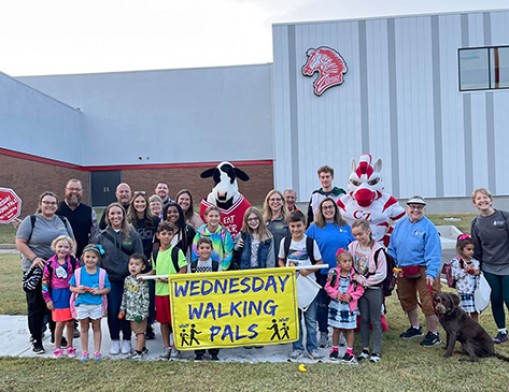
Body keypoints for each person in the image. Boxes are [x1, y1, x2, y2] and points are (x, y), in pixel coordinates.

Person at [15, 191, 75, 354]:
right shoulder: (31, 220)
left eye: (53, 203)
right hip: (36, 269)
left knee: (55, 304)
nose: (49, 205)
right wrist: (34, 258)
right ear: (40, 204)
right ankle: (36, 337)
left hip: (58, 270)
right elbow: (20, 242)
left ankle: (56, 335)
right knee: (36, 305)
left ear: (57, 205)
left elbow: (72, 241)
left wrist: (71, 261)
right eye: (46, 202)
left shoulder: (62, 221)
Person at [388, 195, 442, 347]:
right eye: (412, 207)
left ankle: (433, 333)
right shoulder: (399, 226)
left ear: (424, 209)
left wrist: (431, 273)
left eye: (419, 207)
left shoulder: (429, 227)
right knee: (406, 297)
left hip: (424, 268)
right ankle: (415, 327)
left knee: (429, 300)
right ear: (407, 208)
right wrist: (393, 266)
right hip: (403, 268)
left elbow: (433, 252)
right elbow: (392, 248)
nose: (415, 210)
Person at [95, 202, 143, 356]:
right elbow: (95, 258)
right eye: (112, 214)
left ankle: (127, 339)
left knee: (128, 310)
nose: (116, 216)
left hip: (129, 280)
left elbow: (139, 256)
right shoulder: (101, 236)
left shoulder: (132, 234)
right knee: (114, 310)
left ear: (124, 215)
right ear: (108, 216)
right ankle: (115, 339)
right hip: (111, 280)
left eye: (119, 213)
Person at [306, 197, 354, 348]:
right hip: (321, 273)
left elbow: (352, 247)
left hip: (342, 274)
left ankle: (338, 333)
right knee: (322, 304)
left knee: (339, 303)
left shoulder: (345, 226)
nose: (328, 210)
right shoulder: (314, 228)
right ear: (321, 210)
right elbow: (305, 246)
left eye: (330, 207)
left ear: (335, 209)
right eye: (325, 207)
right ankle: (324, 333)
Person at [278, 210, 324, 361]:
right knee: (295, 320)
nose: (296, 230)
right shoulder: (285, 242)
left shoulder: (311, 242)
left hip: (308, 287)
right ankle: (297, 348)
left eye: (299, 226)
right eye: (293, 226)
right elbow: (280, 260)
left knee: (311, 320)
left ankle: (312, 348)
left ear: (304, 225)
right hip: (293, 287)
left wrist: (308, 270)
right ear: (289, 227)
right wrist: (286, 269)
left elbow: (319, 263)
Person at [470, 188, 509, 343]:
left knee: (508, 298)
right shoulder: (476, 223)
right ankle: (502, 332)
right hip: (489, 268)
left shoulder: (504, 217)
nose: (482, 201)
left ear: (491, 200)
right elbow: (476, 247)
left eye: (485, 198)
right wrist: (476, 266)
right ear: (475, 203)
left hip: (507, 266)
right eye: (478, 199)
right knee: (496, 299)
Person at [147, 221, 188, 360]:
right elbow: (154, 270)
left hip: (174, 293)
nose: (166, 237)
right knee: (163, 321)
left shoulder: (177, 251)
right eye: (163, 234)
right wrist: (142, 276)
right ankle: (167, 347)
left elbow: (183, 270)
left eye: (169, 234)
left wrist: (170, 279)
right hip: (160, 292)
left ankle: (177, 347)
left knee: (174, 321)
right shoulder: (154, 253)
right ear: (158, 235)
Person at [349, 219, 387, 363]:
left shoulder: (377, 250)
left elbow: (381, 273)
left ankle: (376, 351)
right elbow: (349, 264)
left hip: (374, 289)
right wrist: (355, 278)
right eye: (355, 235)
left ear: (368, 232)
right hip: (359, 290)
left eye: (360, 234)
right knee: (363, 318)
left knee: (375, 319)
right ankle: (365, 348)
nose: (358, 238)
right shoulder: (352, 247)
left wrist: (364, 281)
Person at [126, 191, 159, 340]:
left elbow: (158, 242)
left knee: (149, 294)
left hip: (150, 263)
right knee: (136, 295)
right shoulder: (129, 222)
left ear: (147, 205)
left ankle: (149, 324)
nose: (140, 205)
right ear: (133, 204)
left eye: (143, 202)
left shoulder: (154, 221)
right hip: (134, 262)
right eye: (137, 202)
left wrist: (153, 260)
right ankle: (138, 325)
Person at [70, 244, 111, 362]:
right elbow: (71, 287)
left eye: (93, 257)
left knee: (96, 327)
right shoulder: (78, 272)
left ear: (98, 259)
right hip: (82, 304)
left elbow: (108, 288)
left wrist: (98, 291)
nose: (90, 259)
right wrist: (78, 289)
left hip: (96, 304)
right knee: (83, 328)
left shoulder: (102, 273)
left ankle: (97, 351)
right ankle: (85, 351)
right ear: (83, 257)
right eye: (87, 257)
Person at [325, 249, 365, 364]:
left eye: (350, 261)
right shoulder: (333, 274)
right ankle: (335, 349)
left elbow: (360, 290)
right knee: (336, 329)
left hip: (349, 307)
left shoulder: (355, 276)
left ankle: (349, 351)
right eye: (345, 261)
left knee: (349, 329)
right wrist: (336, 294)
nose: (348, 263)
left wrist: (351, 296)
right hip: (336, 306)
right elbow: (327, 287)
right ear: (339, 263)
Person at [42, 235, 78, 359]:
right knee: (59, 323)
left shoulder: (74, 262)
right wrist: (48, 299)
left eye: (66, 247)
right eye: (60, 246)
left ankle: (70, 346)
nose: (62, 249)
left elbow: (78, 278)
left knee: (70, 323)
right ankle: (57, 348)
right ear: (54, 247)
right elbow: (45, 283)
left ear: (70, 249)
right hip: (57, 296)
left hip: (71, 294)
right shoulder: (50, 263)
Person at [190, 237, 220, 361]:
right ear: (197, 250)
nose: (205, 250)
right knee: (199, 326)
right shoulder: (192, 265)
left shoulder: (216, 265)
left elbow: (221, 282)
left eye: (207, 248)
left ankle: (214, 352)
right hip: (197, 301)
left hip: (212, 300)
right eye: (202, 248)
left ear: (212, 250)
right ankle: (199, 352)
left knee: (213, 326)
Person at [119, 254, 150, 360]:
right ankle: (143, 347)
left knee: (140, 332)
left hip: (139, 313)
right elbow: (125, 294)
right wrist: (122, 309)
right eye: (131, 264)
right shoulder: (127, 279)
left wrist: (143, 314)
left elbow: (146, 298)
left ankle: (138, 352)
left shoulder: (143, 281)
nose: (133, 267)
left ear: (143, 267)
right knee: (136, 332)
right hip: (130, 312)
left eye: (137, 264)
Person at [57, 178, 99, 258]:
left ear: (82, 192)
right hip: (59, 258)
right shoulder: (56, 209)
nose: (74, 192)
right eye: (71, 189)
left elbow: (94, 236)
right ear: (65, 190)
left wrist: (89, 251)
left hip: (83, 258)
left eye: (77, 189)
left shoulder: (89, 211)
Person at [192, 206, 234, 271]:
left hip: (220, 269)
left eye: (216, 216)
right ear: (206, 217)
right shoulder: (199, 234)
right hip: (203, 270)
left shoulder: (224, 233)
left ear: (220, 217)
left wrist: (223, 268)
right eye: (211, 216)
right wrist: (196, 268)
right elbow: (195, 253)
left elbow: (229, 253)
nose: (214, 218)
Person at [451, 234, 480, 323]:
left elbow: (478, 273)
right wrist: (465, 270)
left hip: (474, 291)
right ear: (461, 249)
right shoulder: (456, 262)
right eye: (468, 249)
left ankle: (475, 328)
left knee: (475, 312)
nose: (471, 252)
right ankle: (465, 329)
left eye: (472, 249)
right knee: (464, 312)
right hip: (464, 291)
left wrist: (477, 272)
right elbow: (455, 275)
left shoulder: (475, 261)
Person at [263, 190, 290, 267]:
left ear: (282, 202)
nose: (275, 202)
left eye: (278, 199)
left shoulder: (288, 220)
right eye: (272, 199)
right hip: (266, 264)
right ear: (268, 202)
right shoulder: (262, 221)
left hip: (282, 263)